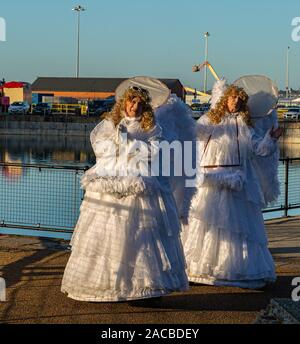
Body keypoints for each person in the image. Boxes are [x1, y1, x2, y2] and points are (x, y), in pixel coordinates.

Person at [61, 77, 189, 302]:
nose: (135, 107)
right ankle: (108, 284)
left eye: (139, 103)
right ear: (124, 102)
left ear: (145, 106)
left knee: (141, 234)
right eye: (131, 102)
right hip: (110, 181)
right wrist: (117, 142)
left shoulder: (152, 126)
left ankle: (145, 287)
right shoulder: (110, 123)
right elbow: (98, 145)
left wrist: (129, 143)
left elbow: (155, 151)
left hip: (140, 186)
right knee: (108, 232)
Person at [181, 82, 283, 289]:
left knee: (238, 228)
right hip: (211, 181)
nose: (235, 101)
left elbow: (258, 149)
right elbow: (194, 135)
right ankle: (201, 269)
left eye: (239, 99)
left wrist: (270, 139)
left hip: (238, 184)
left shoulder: (245, 125)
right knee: (206, 225)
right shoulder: (209, 119)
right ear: (224, 99)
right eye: (232, 97)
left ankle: (236, 269)